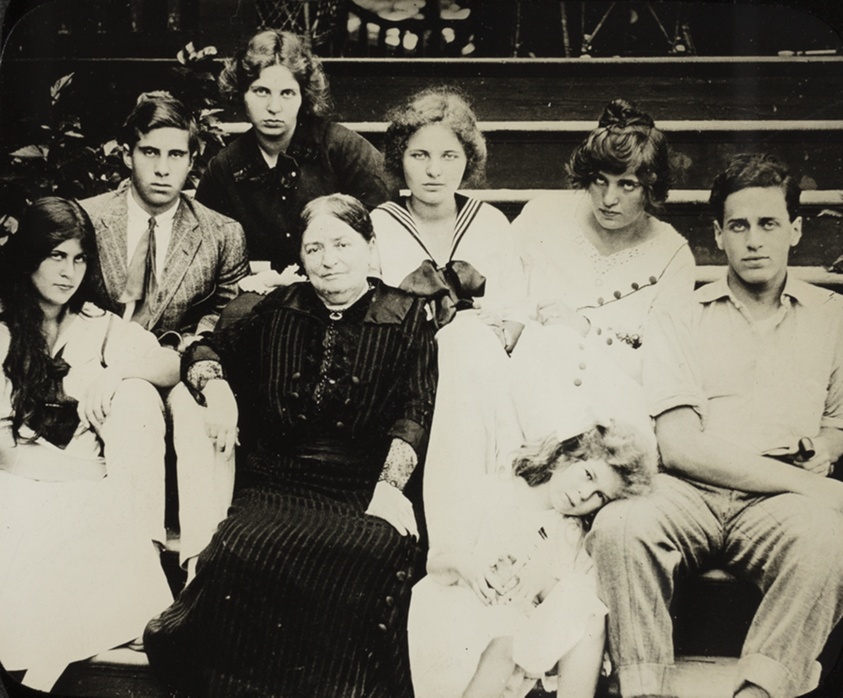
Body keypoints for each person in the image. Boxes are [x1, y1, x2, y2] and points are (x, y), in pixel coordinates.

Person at [143, 194, 437, 697]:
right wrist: (215, 388)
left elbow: (416, 408)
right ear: (300, 257)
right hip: (277, 481)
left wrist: (390, 487)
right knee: (241, 545)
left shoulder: (406, 314)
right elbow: (205, 346)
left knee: (373, 545)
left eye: (342, 244)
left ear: (369, 246)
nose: (329, 259)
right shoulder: (278, 307)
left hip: (361, 485)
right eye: (315, 247)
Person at [587, 153, 843, 698]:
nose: (754, 240)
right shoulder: (681, 315)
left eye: (769, 224)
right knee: (621, 527)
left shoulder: (832, 317)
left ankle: (760, 689)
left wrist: (823, 444)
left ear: (796, 230)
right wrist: (816, 484)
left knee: (832, 536)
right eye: (739, 226)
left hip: (777, 505)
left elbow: (837, 420)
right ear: (718, 235)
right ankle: (643, 688)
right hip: (689, 495)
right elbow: (679, 446)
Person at [0, 198, 178, 691]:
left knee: (138, 395)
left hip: (85, 477)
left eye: (79, 259)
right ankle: (42, 667)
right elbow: (4, 453)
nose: (69, 272)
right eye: (56, 256)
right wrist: (91, 478)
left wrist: (117, 370)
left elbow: (170, 365)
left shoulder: (96, 324)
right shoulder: (3, 326)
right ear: (30, 255)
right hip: (19, 477)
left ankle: (44, 669)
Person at [409, 418, 655, 698]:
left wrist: (543, 582)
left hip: (520, 630)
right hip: (460, 613)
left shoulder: (572, 531)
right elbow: (436, 564)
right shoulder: (494, 492)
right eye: (588, 475)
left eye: (600, 495)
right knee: (503, 632)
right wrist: (468, 565)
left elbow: (573, 602)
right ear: (568, 456)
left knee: (585, 607)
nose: (583, 495)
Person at [515, 98, 696, 381]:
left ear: (650, 188)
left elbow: (668, 365)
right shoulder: (542, 215)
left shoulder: (672, 255)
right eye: (600, 180)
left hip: (616, 396)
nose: (609, 199)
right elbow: (500, 302)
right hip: (529, 382)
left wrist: (587, 331)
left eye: (627, 184)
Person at [196, 29, 393, 276]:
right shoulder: (225, 168)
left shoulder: (341, 148)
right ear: (241, 93)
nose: (274, 107)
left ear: (303, 96)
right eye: (261, 91)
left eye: (287, 93)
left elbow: (385, 225)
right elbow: (205, 251)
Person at [81, 92, 249, 348]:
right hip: (94, 358)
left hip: (176, 365)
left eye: (176, 154)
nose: (162, 169)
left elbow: (228, 312)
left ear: (191, 161)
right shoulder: (87, 219)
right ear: (128, 155)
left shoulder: (223, 234)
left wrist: (194, 342)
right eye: (150, 152)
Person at [373, 86, 527, 329]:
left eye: (449, 156)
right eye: (420, 155)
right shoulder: (380, 224)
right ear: (399, 158)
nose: (434, 171)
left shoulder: (490, 222)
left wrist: (500, 330)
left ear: (468, 160)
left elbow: (517, 309)